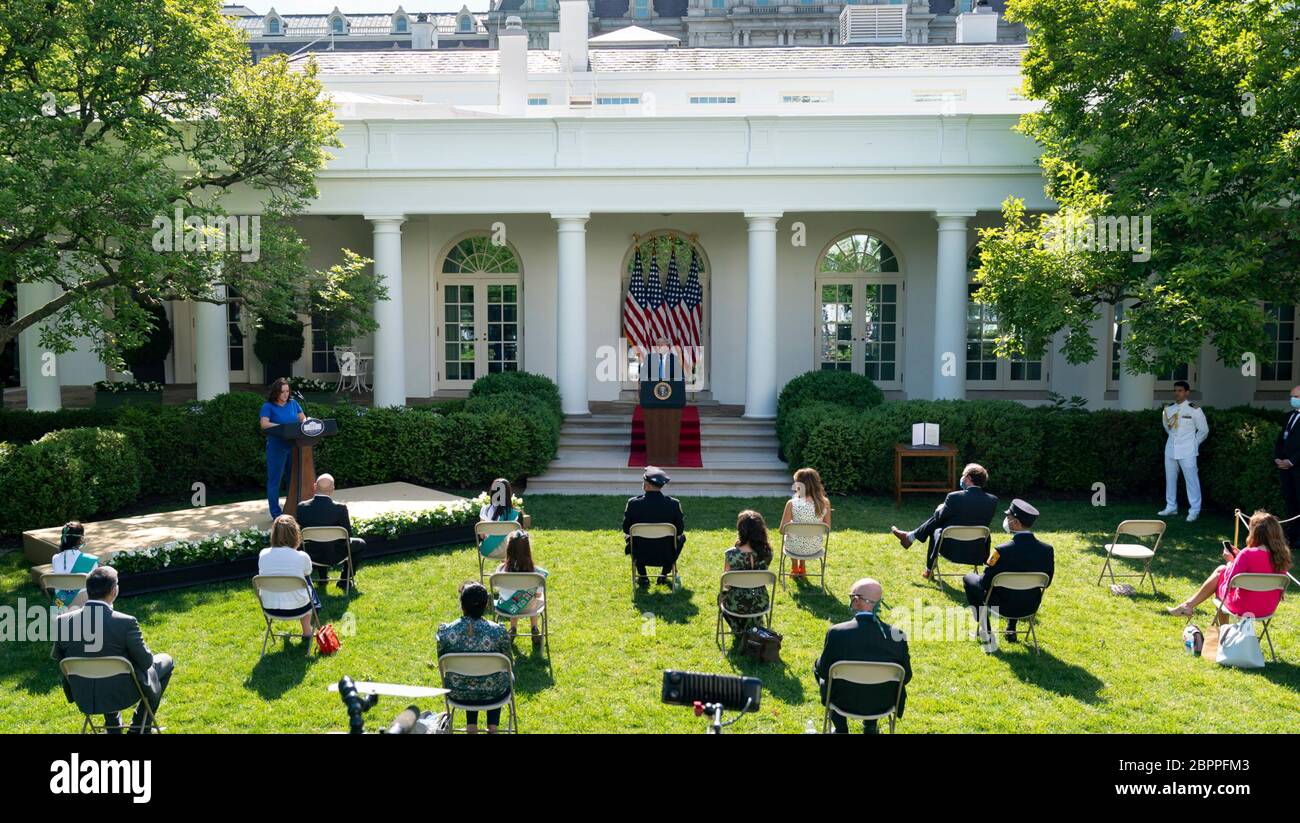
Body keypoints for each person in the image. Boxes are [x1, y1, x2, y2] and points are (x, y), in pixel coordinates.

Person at [51, 566, 174, 733]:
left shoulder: (62, 622)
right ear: (114, 590)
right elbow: (146, 662)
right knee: (166, 660)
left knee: (103, 664)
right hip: (123, 692)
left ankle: (113, 727)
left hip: (85, 694)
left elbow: (59, 658)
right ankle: (139, 727)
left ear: (88, 591)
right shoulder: (126, 622)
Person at [814, 578, 912, 734]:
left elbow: (824, 671)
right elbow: (906, 677)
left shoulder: (837, 633)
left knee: (817, 668)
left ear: (856, 600)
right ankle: (871, 726)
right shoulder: (897, 635)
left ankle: (841, 728)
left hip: (843, 701)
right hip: (883, 702)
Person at [1168, 509, 1292, 619]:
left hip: (1242, 607)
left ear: (1255, 532)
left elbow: (1229, 584)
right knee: (1221, 570)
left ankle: (1222, 632)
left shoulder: (1247, 554)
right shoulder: (1281, 555)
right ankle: (1187, 606)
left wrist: (1230, 562)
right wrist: (1237, 560)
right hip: (1267, 608)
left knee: (1220, 572)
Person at [963, 499, 1054, 646]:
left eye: (1009, 517)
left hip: (1001, 604)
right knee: (1019, 585)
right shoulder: (1047, 550)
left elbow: (985, 583)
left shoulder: (1001, 551)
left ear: (1016, 523)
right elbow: (1047, 582)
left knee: (969, 579)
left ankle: (986, 632)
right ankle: (1011, 629)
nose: (1006, 520)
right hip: (1029, 604)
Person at [890, 463, 997, 579]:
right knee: (938, 523)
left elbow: (939, 518)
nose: (962, 478)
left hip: (951, 548)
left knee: (935, 527)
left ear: (969, 478)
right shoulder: (993, 500)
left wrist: (940, 508)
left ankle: (927, 567)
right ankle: (910, 537)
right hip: (975, 550)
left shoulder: (954, 497)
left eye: (963, 475)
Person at [437, 581, 513, 734]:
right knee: (500, 676)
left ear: (462, 604)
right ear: (486, 606)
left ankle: (471, 727)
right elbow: (508, 662)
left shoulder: (445, 633)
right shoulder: (498, 632)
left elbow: (442, 663)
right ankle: (493, 728)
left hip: (458, 693)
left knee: (470, 678)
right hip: (495, 694)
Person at [296, 473, 365, 592]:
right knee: (360, 543)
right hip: (336, 554)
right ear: (332, 489)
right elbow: (347, 537)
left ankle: (323, 578)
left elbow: (299, 534)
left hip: (312, 553)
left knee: (316, 541)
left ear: (314, 486)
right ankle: (344, 580)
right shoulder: (340, 508)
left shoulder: (302, 507)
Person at [256, 515, 317, 641]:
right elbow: (308, 572)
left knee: (301, 582)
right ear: (296, 534)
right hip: (298, 608)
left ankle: (307, 628)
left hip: (270, 607)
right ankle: (307, 630)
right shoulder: (302, 556)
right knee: (307, 581)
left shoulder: (263, 554)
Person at [623, 466, 686, 587]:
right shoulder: (674, 504)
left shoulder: (633, 504)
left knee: (630, 536)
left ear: (647, 485)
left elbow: (626, 529)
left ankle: (642, 576)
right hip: (666, 553)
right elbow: (679, 530)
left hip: (640, 553)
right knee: (681, 538)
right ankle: (664, 574)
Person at [1159, 379, 1209, 522]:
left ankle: (1194, 510)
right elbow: (1167, 427)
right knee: (1170, 479)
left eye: (1180, 390)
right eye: (1175, 390)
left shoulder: (1194, 410)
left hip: (1187, 451)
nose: (1177, 393)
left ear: (1187, 393)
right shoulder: (1168, 409)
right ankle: (1171, 506)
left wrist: (1193, 443)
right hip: (1170, 449)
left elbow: (1203, 430)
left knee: (1191, 480)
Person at [721, 510, 773, 638]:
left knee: (721, 597)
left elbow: (726, 583)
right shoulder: (767, 553)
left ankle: (739, 630)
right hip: (760, 601)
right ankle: (752, 627)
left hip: (735, 605)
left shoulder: (731, 554)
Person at [259, 378, 306, 520]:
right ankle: (276, 513)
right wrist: (283, 428)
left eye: (287, 391)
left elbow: (303, 419)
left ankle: (292, 508)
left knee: (293, 479)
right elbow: (264, 424)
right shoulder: (268, 406)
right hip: (276, 448)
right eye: (282, 392)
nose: (285, 394)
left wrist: (308, 423)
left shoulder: (294, 403)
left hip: (294, 446)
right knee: (275, 481)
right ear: (276, 392)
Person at [493, 530, 547, 651]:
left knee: (512, 598)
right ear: (528, 550)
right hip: (530, 608)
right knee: (533, 597)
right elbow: (538, 594)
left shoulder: (501, 570)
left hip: (507, 608)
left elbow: (498, 588)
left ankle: (513, 628)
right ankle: (534, 627)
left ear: (508, 549)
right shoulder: (536, 574)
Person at [779, 467, 832, 579]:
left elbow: (782, 530)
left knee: (793, 532)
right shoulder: (825, 503)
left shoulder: (792, 504)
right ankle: (802, 567)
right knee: (804, 533)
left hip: (793, 548)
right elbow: (827, 528)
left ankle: (794, 567)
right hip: (814, 548)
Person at [1273, 385, 1300, 545]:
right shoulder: (1289, 416)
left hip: (1297, 468)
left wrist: (1291, 461)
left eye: (1296, 397)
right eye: (1292, 396)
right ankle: (1291, 535)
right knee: (1290, 502)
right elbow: (1280, 440)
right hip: (1285, 469)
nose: (1293, 399)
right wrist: (1277, 458)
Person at [50, 521, 98, 611]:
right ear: (81, 539)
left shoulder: (55, 558)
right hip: (82, 606)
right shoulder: (91, 560)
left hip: (59, 605)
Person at [478, 478, 522, 560]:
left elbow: (482, 535)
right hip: (510, 552)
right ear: (508, 493)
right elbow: (515, 537)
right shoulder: (514, 514)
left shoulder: (485, 510)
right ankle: (505, 567)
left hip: (488, 551)